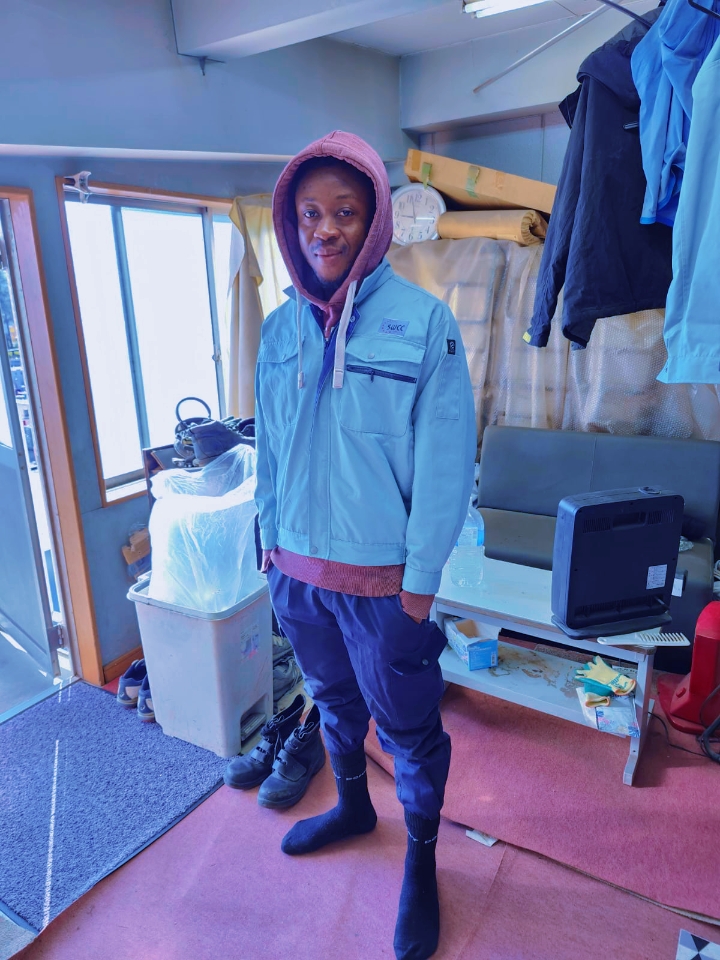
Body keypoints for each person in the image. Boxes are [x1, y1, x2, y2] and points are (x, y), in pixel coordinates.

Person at [254, 130, 476, 960]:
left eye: (345, 211)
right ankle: (352, 807)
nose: (326, 229)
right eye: (310, 213)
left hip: (384, 586)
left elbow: (447, 465)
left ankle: (421, 856)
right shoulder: (278, 329)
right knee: (331, 701)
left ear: (375, 218)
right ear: (291, 222)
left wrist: (421, 580)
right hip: (297, 574)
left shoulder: (424, 323)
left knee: (408, 726)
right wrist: (267, 540)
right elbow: (269, 445)